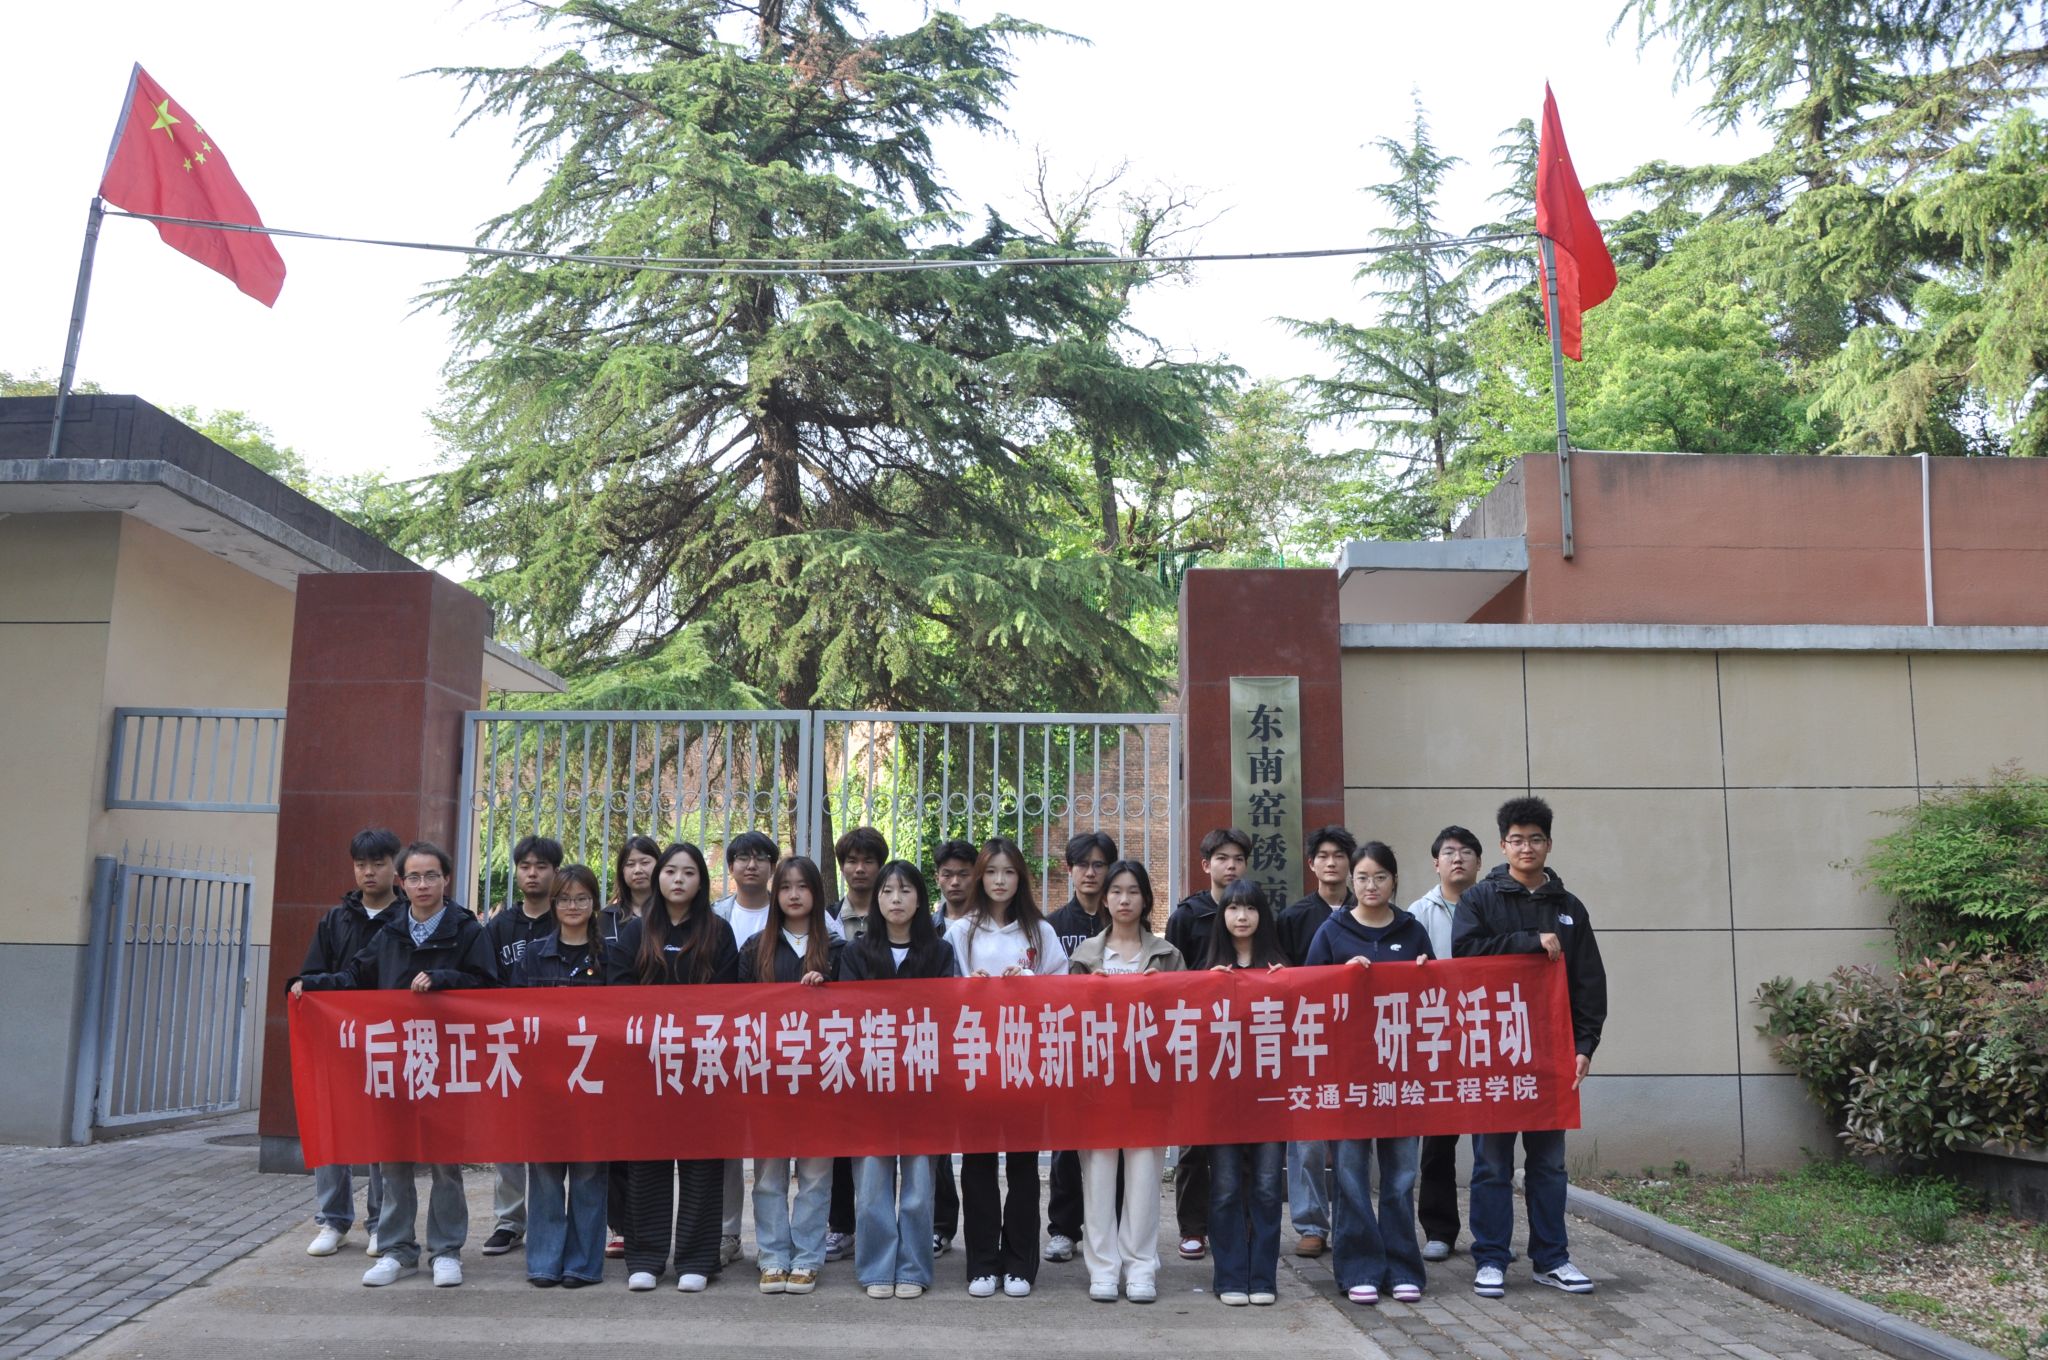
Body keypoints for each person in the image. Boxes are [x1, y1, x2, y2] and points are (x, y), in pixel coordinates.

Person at [291, 841, 493, 1288]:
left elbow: (488, 986)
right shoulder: (391, 931)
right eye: (414, 877)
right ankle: (397, 1250)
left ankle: (446, 1251)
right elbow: (355, 977)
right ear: (403, 882)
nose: (423, 885)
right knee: (394, 1158)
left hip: (446, 1062)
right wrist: (312, 984)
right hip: (395, 1062)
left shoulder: (466, 929)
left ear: (446, 879)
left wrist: (443, 980)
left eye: (431, 875)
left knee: (444, 1163)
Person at [1453, 796, 1607, 1298]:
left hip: (1551, 1054)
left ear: (1549, 844)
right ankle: (1491, 1258)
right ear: (1503, 845)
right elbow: (1465, 955)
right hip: (1494, 1051)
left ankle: (1552, 1258)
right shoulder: (1479, 900)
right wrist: (1527, 940)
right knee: (1491, 1163)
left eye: (1535, 839)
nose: (1526, 848)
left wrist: (1585, 1044)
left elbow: (1589, 982)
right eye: (1517, 840)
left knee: (1548, 1164)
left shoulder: (1569, 908)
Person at [605, 842, 740, 1292]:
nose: (678, 879)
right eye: (670, 872)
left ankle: (697, 1260)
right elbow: (619, 995)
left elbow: (727, 999)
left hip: (703, 1063)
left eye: (688, 872)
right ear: (658, 878)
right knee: (647, 1161)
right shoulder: (634, 933)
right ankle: (645, 1258)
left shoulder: (719, 932)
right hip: (647, 1065)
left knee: (702, 1161)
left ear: (701, 881)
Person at [1306, 842, 1433, 1306]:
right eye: (1362, 877)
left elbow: (1434, 1003)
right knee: (1350, 1174)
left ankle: (1402, 1267)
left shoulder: (1412, 930)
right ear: (1351, 881)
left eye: (1380, 877)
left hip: (1401, 1072)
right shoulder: (1331, 931)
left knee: (1400, 1176)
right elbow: (1308, 996)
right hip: (1348, 1073)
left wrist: (1427, 972)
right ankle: (1358, 1267)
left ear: (1394, 880)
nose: (1371, 885)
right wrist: (1340, 976)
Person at [943, 837, 1069, 1297]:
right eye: (992, 871)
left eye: (1009, 872)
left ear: (1021, 878)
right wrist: (969, 987)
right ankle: (982, 1262)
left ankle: (1019, 1262)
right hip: (976, 1060)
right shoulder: (960, 932)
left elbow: (1063, 991)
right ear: (980, 877)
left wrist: (1029, 981)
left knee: (1022, 1165)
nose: (999, 880)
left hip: (1024, 1061)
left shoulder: (1040, 932)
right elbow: (941, 993)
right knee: (977, 1164)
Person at [842, 860, 959, 1300]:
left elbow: (945, 1014)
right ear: (876, 900)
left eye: (906, 891)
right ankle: (876, 1266)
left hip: (922, 1084)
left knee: (918, 1187)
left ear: (920, 900)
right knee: (872, 1184)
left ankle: (913, 1267)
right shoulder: (856, 953)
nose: (896, 899)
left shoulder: (940, 952)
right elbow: (847, 1017)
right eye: (888, 891)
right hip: (870, 1086)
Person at [1065, 858, 1181, 1303]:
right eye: (1116, 891)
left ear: (1146, 899)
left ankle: (1141, 1267)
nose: (1124, 899)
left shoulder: (1167, 955)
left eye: (1133, 891)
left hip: (1147, 1083)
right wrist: (1089, 993)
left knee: (1145, 1179)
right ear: (1105, 899)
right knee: (1098, 1178)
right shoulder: (1084, 956)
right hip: (1097, 1084)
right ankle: (1103, 1268)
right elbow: (1068, 1023)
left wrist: (1160, 992)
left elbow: (1185, 1019)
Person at [737, 854, 841, 1296]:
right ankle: (773, 1255)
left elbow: (856, 1015)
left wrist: (826, 992)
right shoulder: (754, 948)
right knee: (768, 1176)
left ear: (816, 893)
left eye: (803, 886)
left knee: (815, 1175)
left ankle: (807, 1257)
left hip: (820, 1081)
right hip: (769, 1080)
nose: (794, 895)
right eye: (785, 887)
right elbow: (737, 1014)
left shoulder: (837, 949)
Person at [300, 827, 404, 1260]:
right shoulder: (335, 920)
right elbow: (312, 976)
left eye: (378, 863)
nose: (369, 872)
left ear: (395, 867)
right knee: (333, 1126)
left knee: (381, 1133)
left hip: (390, 1040)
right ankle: (333, 1220)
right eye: (361, 864)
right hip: (338, 1041)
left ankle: (381, 1223)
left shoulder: (408, 918)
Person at [510, 864, 608, 1288]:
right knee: (546, 1174)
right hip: (545, 1082)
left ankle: (582, 1264)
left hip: (594, 1082)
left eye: (581, 898)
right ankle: (544, 1261)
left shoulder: (608, 957)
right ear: (553, 904)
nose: (573, 906)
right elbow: (514, 1013)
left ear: (594, 904)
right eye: (565, 899)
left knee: (589, 1174)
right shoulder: (534, 954)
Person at [1162, 826, 1251, 1262]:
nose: (1230, 866)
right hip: (1196, 1039)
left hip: (1245, 1041)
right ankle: (1193, 1228)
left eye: (1237, 859)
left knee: (1241, 1137)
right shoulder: (1186, 916)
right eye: (1222, 858)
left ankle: (1236, 1222)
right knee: (1194, 1141)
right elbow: (1172, 977)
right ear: (1205, 865)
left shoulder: (1253, 910)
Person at [1202, 879, 1286, 1307]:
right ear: (1222, 916)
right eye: (1233, 908)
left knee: (1268, 1188)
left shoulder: (1281, 969)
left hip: (1271, 1098)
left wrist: (1284, 986)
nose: (1241, 916)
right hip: (1223, 1100)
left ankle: (1263, 1276)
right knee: (1226, 1188)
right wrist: (1207, 988)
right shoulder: (1207, 971)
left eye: (1250, 908)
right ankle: (1231, 1275)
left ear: (1261, 916)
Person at [1275, 824, 1356, 1260]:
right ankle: (1310, 1223)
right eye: (1323, 855)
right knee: (1306, 1138)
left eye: (1339, 855)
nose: (1331, 863)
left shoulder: (1371, 911)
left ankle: (1350, 1223)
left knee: (1350, 1141)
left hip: (1357, 1043)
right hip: (1307, 1040)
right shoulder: (1294, 918)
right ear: (1311, 864)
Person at [481, 833, 563, 1259]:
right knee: (509, 1136)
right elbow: (485, 981)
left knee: (553, 1137)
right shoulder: (500, 927)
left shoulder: (567, 918)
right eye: (525, 866)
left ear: (555, 872)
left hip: (560, 1046)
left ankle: (553, 1219)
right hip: (510, 1044)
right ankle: (509, 1221)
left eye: (541, 867)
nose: (533, 874)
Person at [1407, 825, 1483, 1264]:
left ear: (1479, 862)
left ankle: (1490, 1234)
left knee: (1491, 1142)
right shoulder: (1418, 913)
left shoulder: (1493, 905)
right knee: (1438, 1140)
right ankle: (1439, 1229)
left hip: (1487, 1033)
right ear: (1436, 863)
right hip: (1437, 1038)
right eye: (1449, 852)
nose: (1458, 858)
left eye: (1466, 852)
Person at [1041, 830, 1117, 1266]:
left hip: (1116, 1049)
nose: (1091, 873)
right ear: (1069, 870)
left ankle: (1111, 1227)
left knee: (1114, 1141)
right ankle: (1063, 1229)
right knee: (1067, 1144)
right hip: (1068, 1046)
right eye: (1083, 865)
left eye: (1099, 865)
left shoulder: (1125, 921)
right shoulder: (1052, 927)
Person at [712, 829, 783, 1269]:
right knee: (726, 1147)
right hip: (724, 1045)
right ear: (731, 866)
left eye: (760, 858)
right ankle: (727, 1234)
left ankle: (775, 1242)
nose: (751, 865)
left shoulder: (792, 908)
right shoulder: (715, 916)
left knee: (772, 1147)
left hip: (781, 1047)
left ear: (772, 866)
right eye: (743, 858)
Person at [823, 826, 886, 1262]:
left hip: (888, 1043)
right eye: (851, 861)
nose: (859, 869)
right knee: (840, 1141)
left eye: (868, 861)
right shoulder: (826, 919)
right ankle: (841, 1226)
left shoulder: (895, 913)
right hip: (839, 1045)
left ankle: (899, 1227)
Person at [600, 834, 662, 1260]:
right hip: (617, 1038)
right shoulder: (605, 919)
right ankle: (620, 1226)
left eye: (646, 861)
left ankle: (659, 1226)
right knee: (619, 1138)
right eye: (630, 863)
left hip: (667, 1039)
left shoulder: (675, 913)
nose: (638, 870)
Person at [928, 837, 978, 1259]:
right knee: (937, 1141)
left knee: (980, 1143)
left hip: (981, 1041)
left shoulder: (990, 924)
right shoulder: (927, 925)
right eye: (948, 874)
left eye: (963, 874)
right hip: (936, 1042)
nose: (955, 881)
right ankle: (940, 1225)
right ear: (938, 877)